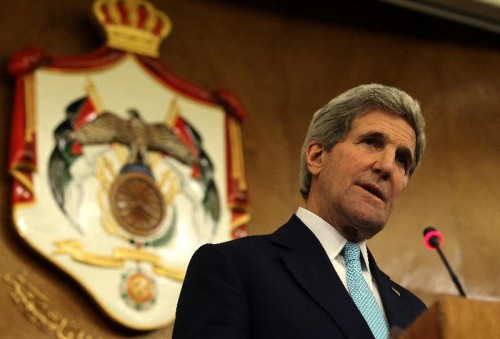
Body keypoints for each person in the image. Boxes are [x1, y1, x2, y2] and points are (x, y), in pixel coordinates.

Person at [173, 84, 427, 338]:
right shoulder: (235, 269)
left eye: (402, 160)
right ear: (317, 157)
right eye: (372, 142)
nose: (387, 167)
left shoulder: (416, 314)